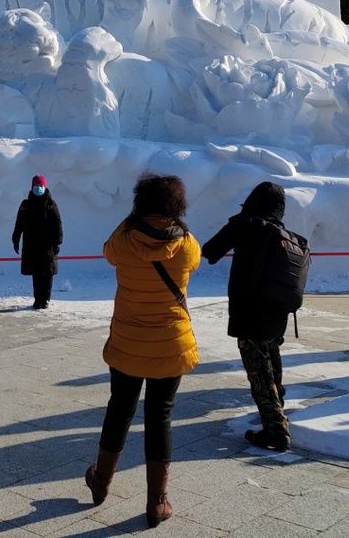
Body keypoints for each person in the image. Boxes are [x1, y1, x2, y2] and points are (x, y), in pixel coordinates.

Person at [84, 173, 200, 529]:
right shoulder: (186, 245)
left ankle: (101, 481)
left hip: (128, 342)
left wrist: (131, 217)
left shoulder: (124, 240)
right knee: (160, 416)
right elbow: (195, 261)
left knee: (119, 409)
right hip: (169, 342)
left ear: (139, 204)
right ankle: (157, 502)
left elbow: (108, 250)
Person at [203, 181, 296, 451]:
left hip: (250, 309)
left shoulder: (245, 224)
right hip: (277, 310)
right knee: (272, 355)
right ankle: (277, 409)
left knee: (258, 370)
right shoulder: (282, 232)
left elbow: (210, 251)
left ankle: (275, 429)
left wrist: (236, 223)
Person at [11, 174, 64, 309]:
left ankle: (45, 299)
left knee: (47, 272)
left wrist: (57, 242)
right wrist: (15, 239)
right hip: (31, 245)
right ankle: (37, 299)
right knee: (36, 273)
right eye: (36, 186)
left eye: (41, 186)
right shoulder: (26, 204)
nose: (38, 188)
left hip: (47, 246)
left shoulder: (51, 204)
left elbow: (57, 223)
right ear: (32, 187)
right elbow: (19, 223)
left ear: (44, 187)